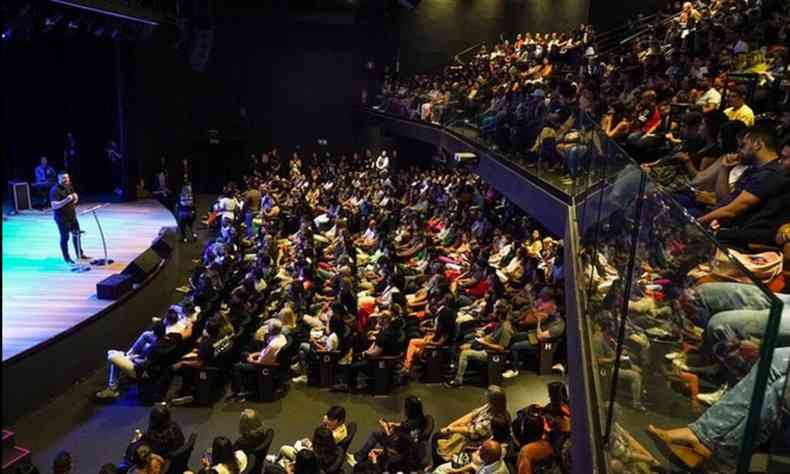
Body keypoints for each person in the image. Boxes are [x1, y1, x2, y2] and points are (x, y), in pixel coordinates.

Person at [430, 386, 511, 468]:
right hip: (471, 429)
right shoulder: (491, 406)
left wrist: (450, 429)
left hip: (475, 440)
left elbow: (471, 432)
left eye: (488, 397)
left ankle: (437, 465)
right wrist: (451, 425)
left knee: (437, 440)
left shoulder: (491, 421)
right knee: (439, 435)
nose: (485, 397)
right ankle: (435, 464)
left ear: (493, 401)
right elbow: (471, 415)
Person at [446, 301, 514, 387]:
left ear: (499, 315)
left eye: (495, 312)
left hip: (491, 353)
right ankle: (457, 370)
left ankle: (458, 380)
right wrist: (483, 336)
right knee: (462, 347)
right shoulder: (500, 324)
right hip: (485, 346)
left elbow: (501, 348)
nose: (493, 314)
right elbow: (493, 336)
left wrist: (483, 342)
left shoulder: (505, 328)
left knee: (464, 353)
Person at [352, 395, 427, 464]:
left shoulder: (406, 427)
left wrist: (385, 426)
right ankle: (360, 455)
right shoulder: (420, 419)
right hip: (412, 447)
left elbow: (392, 438)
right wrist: (394, 424)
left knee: (376, 434)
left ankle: (358, 459)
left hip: (402, 449)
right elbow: (403, 426)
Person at [50, 172, 89, 265]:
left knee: (77, 235)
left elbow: (73, 197)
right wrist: (67, 199)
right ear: (58, 179)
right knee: (65, 238)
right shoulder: (54, 190)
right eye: (63, 178)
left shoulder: (69, 185)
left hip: (72, 215)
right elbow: (54, 206)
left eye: (67, 177)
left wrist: (75, 198)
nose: (66, 179)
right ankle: (67, 258)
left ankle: (80, 254)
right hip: (62, 218)